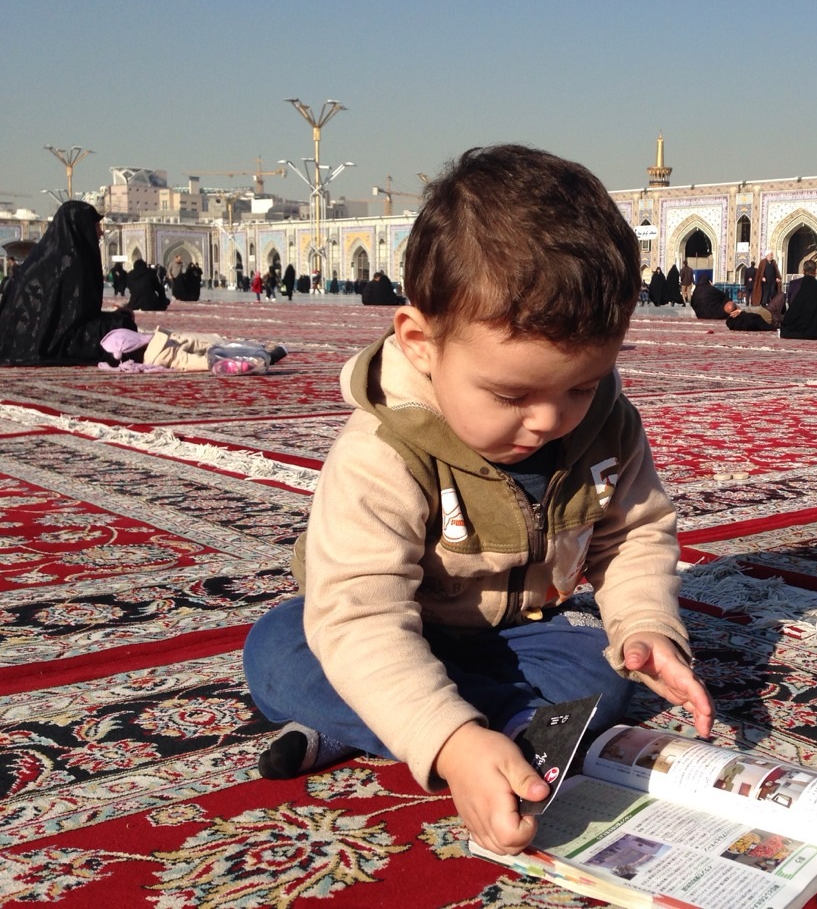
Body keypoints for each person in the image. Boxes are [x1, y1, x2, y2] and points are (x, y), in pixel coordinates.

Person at [241, 144, 714, 857]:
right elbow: (359, 615)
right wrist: (455, 743)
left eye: (580, 386)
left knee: (604, 672)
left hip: (515, 634)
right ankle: (470, 734)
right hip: (389, 624)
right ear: (421, 343)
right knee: (280, 652)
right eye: (511, 395)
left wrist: (645, 628)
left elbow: (634, 537)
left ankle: (376, 726)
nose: (549, 420)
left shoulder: (607, 429)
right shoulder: (384, 449)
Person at [0, 200, 137, 365]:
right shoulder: (72, 262)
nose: (101, 233)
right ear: (81, 227)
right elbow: (76, 322)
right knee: (123, 326)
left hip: (17, 340)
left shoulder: (41, 258)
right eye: (96, 227)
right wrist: (118, 318)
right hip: (55, 342)